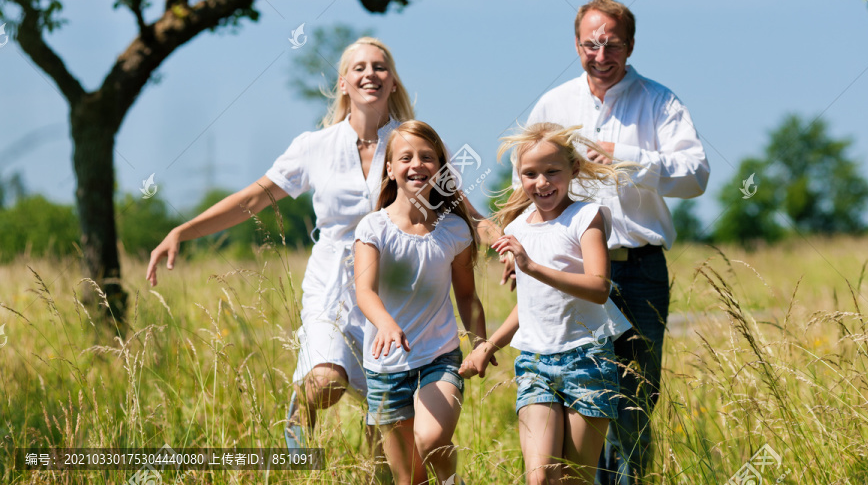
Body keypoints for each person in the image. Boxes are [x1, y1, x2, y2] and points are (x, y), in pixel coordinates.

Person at [145, 36, 415, 452]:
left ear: (393, 82)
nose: (370, 75)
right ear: (344, 83)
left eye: (380, 67)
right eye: (359, 68)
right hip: (333, 283)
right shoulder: (315, 146)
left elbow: (455, 204)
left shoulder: (410, 143)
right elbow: (254, 197)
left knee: (385, 424)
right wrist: (183, 230)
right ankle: (296, 423)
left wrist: (503, 241)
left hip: (392, 285)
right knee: (326, 382)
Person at [516, 0, 710, 484]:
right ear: (576, 44)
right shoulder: (553, 104)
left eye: (612, 44)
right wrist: (517, 249)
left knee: (631, 405)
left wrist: (624, 155)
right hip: (567, 272)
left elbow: (696, 176)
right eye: (591, 44)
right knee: (576, 398)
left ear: (631, 45)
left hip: (638, 269)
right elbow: (528, 177)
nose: (601, 55)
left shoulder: (660, 101)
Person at [460, 122, 632, 485]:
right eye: (530, 174)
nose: (542, 182)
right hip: (535, 362)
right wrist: (489, 345)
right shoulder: (519, 228)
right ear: (519, 177)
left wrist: (532, 267)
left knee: (576, 478)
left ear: (573, 170)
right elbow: (530, 306)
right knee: (540, 478)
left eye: (552, 171)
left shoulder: (587, 217)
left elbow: (600, 287)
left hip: (588, 359)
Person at [354, 120, 488, 485]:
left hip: (438, 355)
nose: (417, 164)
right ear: (390, 168)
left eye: (427, 157)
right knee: (410, 478)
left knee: (430, 440)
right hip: (386, 367)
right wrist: (385, 322)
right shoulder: (373, 228)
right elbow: (364, 290)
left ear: (441, 168)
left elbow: (466, 295)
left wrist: (480, 343)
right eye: (406, 157)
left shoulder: (454, 231)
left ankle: (450, 479)